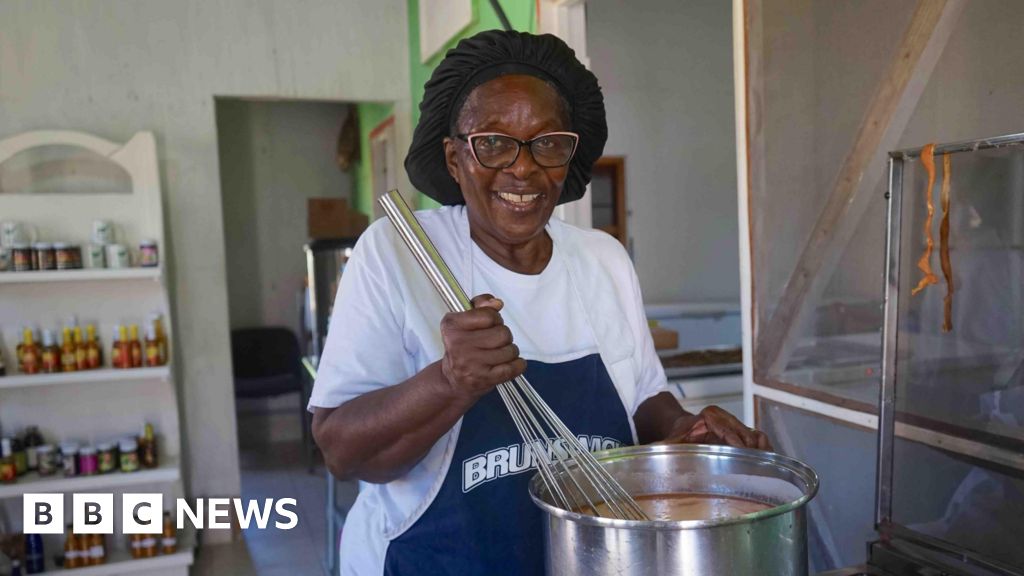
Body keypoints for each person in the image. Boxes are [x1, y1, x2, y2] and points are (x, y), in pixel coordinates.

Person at [309, 29, 770, 575]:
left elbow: (645, 398)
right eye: (493, 142)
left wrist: (685, 433)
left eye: (547, 142)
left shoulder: (602, 259)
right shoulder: (396, 254)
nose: (523, 167)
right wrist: (449, 382)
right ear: (456, 158)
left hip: (588, 562)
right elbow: (341, 450)